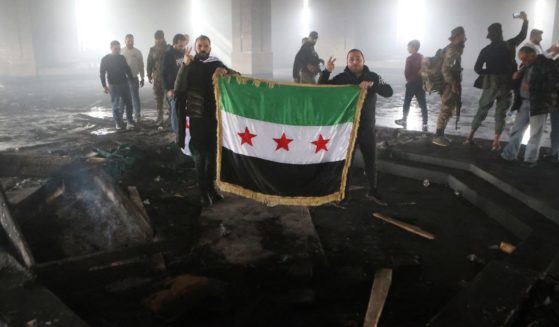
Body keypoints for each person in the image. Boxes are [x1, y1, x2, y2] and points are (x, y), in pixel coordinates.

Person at [319, 49, 393, 206]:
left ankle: (373, 190)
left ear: (363, 60)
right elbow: (322, 88)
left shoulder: (373, 76)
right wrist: (326, 71)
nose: (354, 61)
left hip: (367, 127)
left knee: (371, 160)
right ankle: (343, 194)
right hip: (347, 129)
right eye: (351, 59)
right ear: (347, 62)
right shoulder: (342, 78)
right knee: (347, 162)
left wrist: (373, 86)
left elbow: (389, 91)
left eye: (358, 58)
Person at [174, 35, 239, 207]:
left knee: (212, 155)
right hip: (196, 118)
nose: (203, 48)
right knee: (200, 156)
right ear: (195, 47)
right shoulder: (190, 64)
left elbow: (237, 76)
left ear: (210, 47)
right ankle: (203, 192)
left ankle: (211, 189)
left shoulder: (215, 63)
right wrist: (184, 66)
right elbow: (178, 88)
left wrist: (226, 72)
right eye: (200, 45)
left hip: (214, 117)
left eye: (205, 46)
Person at [463, 13, 528, 151]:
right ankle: (495, 143)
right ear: (501, 33)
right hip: (506, 84)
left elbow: (477, 68)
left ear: (490, 35)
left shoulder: (485, 50)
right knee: (501, 114)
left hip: (491, 84)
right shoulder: (509, 44)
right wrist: (525, 20)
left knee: (482, 110)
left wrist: (490, 71)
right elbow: (522, 35)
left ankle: (469, 137)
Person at [500, 46, 559, 167]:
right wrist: (515, 79)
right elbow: (519, 84)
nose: (523, 62)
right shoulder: (527, 65)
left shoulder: (548, 65)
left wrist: (532, 88)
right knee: (517, 129)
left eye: (525, 59)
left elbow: (554, 85)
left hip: (539, 103)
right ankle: (509, 154)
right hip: (524, 102)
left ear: (532, 55)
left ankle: (530, 159)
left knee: (535, 133)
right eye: (522, 59)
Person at [432, 27, 466, 147]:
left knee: (448, 109)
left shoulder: (455, 48)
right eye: (463, 35)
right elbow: (445, 69)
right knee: (446, 109)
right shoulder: (452, 49)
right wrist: (452, 84)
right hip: (448, 84)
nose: (464, 37)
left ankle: (441, 134)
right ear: (457, 36)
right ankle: (438, 136)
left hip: (449, 83)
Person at [100, 40, 135, 130]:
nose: (117, 50)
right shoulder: (105, 59)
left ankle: (129, 122)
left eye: (119, 48)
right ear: (111, 48)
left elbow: (127, 69)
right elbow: (102, 73)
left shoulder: (121, 58)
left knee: (129, 103)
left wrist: (131, 79)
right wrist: (104, 85)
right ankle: (118, 123)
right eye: (115, 48)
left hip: (124, 83)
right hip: (113, 85)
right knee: (115, 105)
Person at [395, 40, 428, 132]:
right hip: (420, 82)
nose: (407, 48)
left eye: (408, 47)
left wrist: (409, 80)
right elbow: (424, 70)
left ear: (413, 48)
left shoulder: (409, 59)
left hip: (412, 83)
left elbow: (407, 72)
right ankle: (425, 122)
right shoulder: (422, 57)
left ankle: (404, 120)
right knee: (422, 103)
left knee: (407, 102)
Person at [161, 34, 189, 133]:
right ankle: (176, 134)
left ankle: (182, 132)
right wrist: (168, 89)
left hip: (184, 87)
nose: (183, 47)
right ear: (174, 44)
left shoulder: (184, 53)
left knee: (183, 111)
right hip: (173, 88)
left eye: (184, 45)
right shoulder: (168, 55)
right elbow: (164, 73)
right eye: (180, 46)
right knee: (175, 111)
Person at [120, 34, 145, 122]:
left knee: (135, 97)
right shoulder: (121, 51)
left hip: (134, 78)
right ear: (125, 41)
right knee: (122, 97)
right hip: (122, 78)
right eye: (128, 40)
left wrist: (142, 78)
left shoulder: (137, 52)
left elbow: (141, 65)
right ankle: (120, 115)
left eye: (132, 40)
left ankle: (137, 115)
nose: (130, 42)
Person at [147, 30, 169, 125]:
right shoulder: (152, 50)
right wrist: (149, 75)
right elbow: (149, 63)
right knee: (158, 98)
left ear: (163, 38)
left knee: (168, 99)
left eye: (160, 38)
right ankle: (159, 118)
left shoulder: (169, 48)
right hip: (157, 78)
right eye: (157, 38)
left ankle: (171, 118)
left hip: (168, 78)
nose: (158, 40)